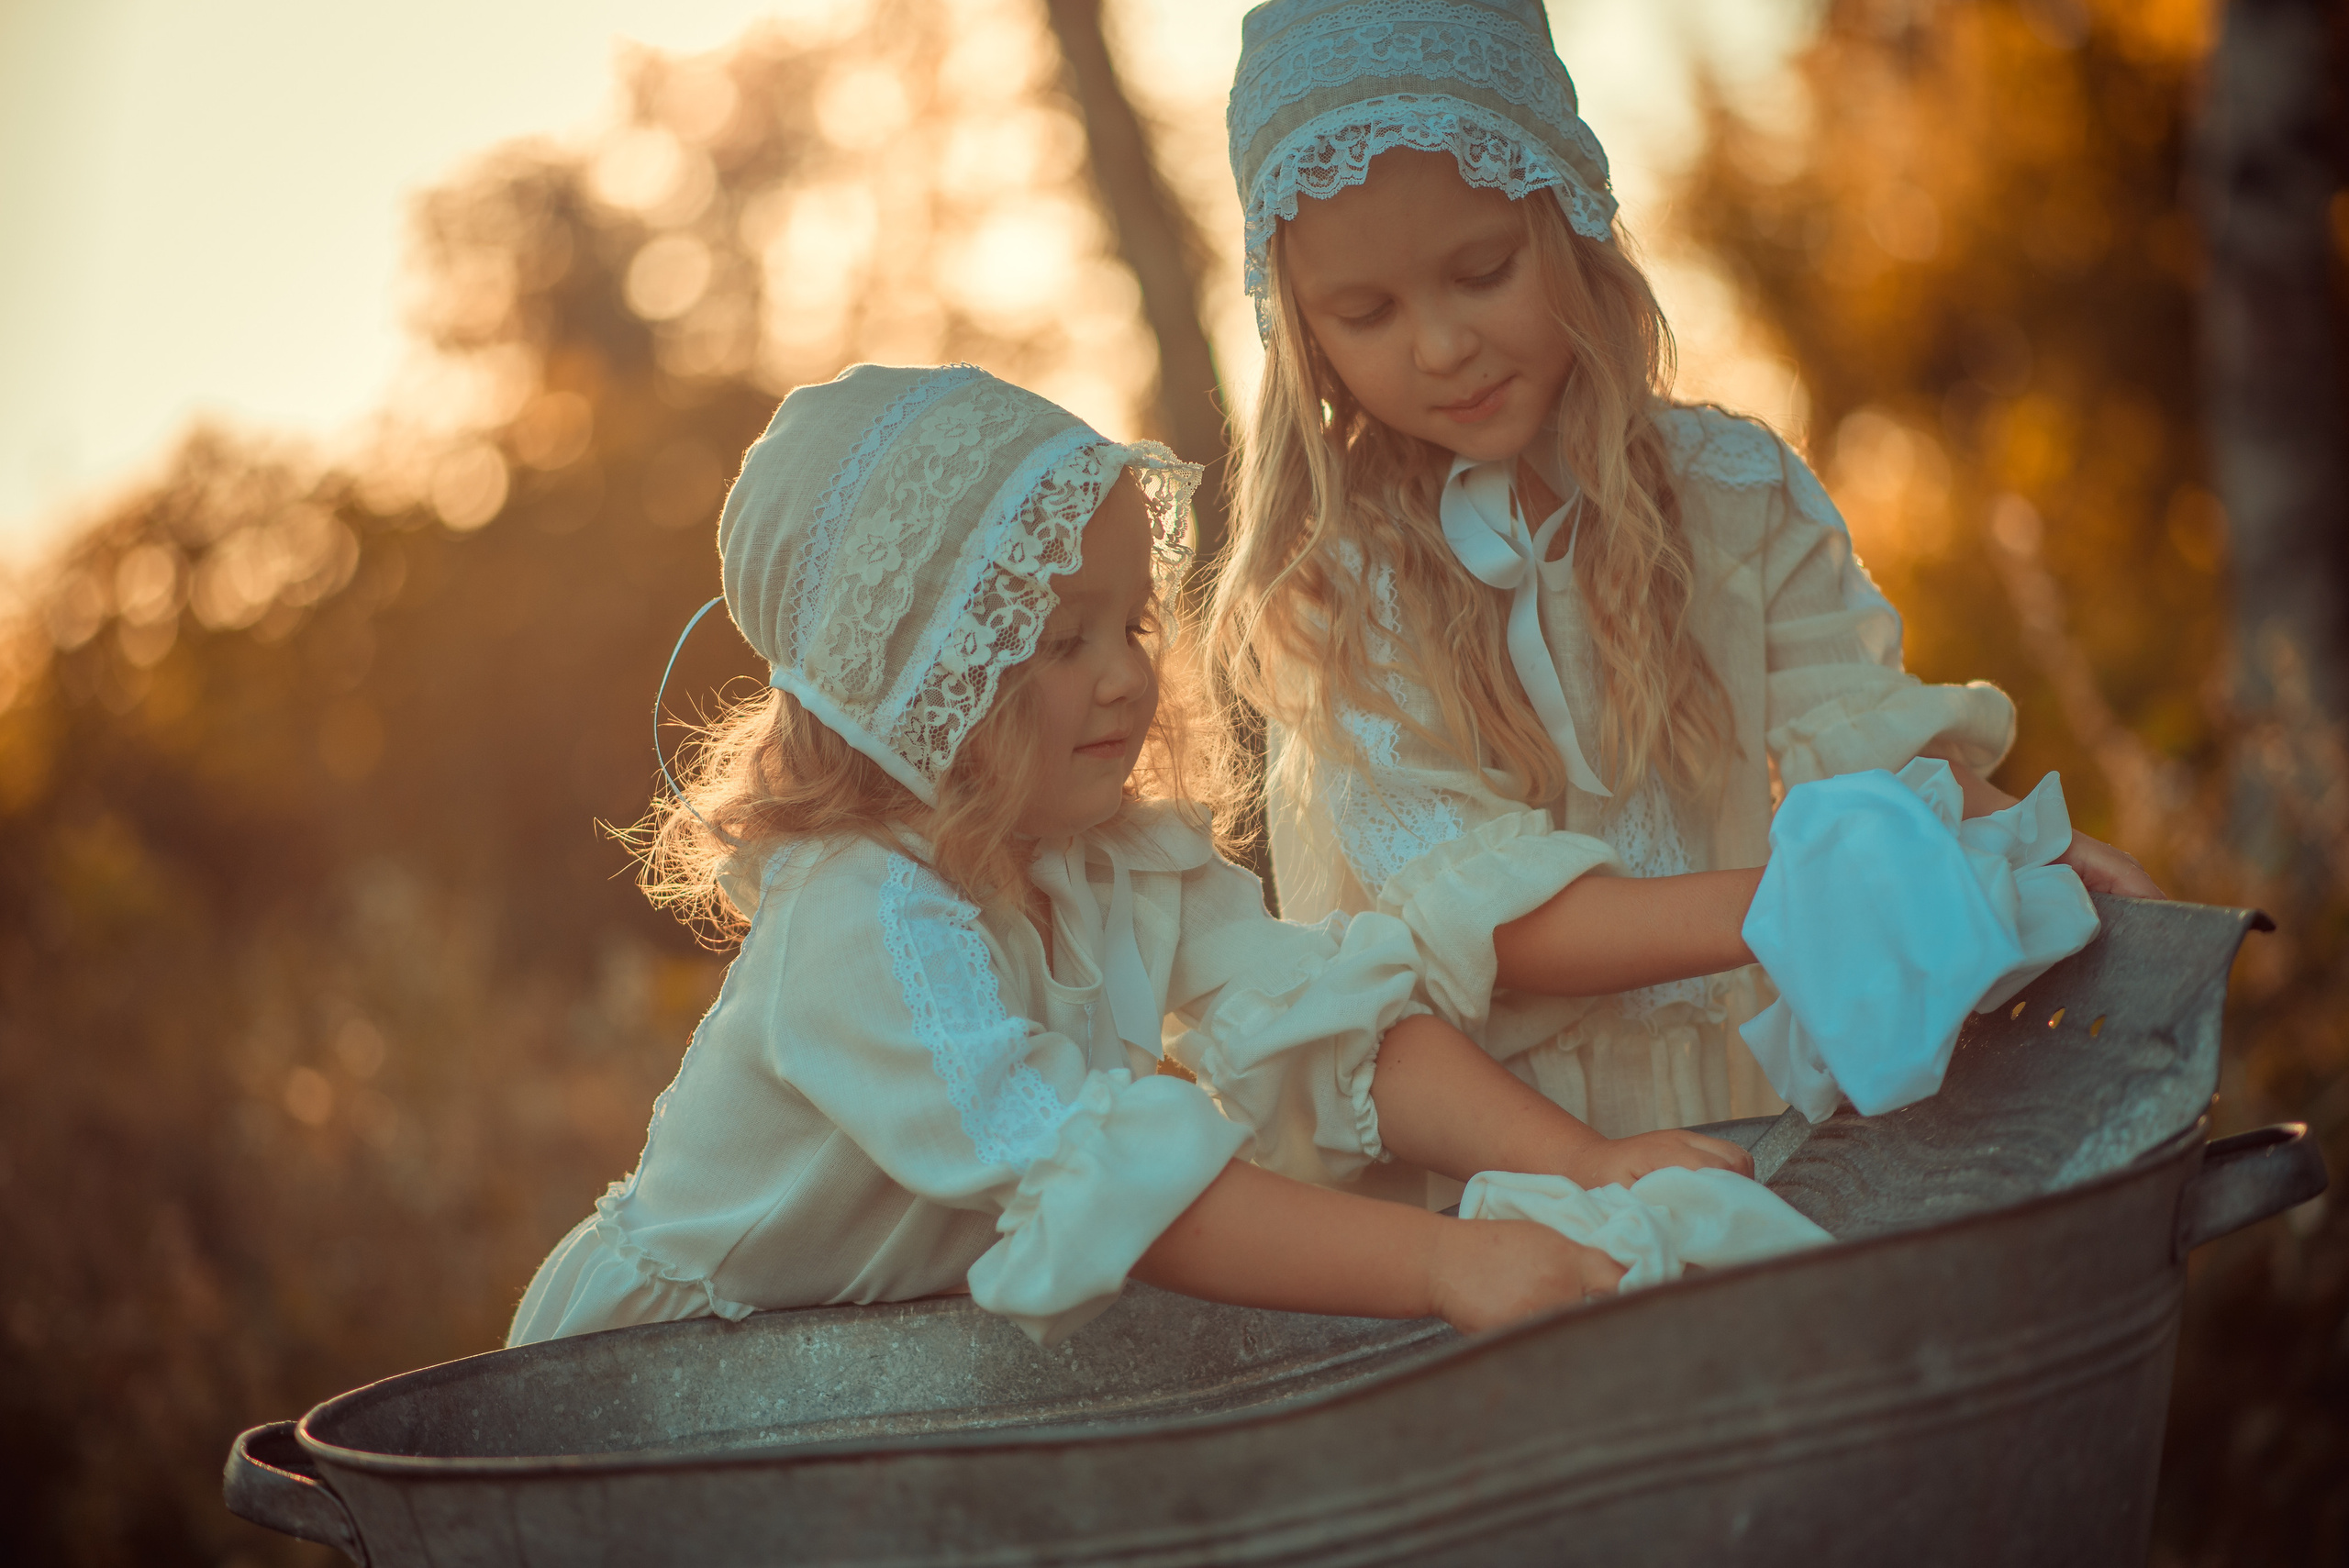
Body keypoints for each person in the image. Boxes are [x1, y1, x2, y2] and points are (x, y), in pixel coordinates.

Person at [507, 363, 1754, 1351]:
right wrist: (1443, 1262)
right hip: (660, 1382)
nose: (1126, 673)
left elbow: (1322, 1022)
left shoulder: (1101, 856)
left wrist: (1580, 1163)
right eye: (1059, 639)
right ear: (922, 680)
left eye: (1133, 622)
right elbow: (1106, 1176)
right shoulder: (861, 919)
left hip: (841, 1383)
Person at [1210, 0, 2162, 1207]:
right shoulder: (1344, 599)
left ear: (1571, 216)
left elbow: (1860, 738)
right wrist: (1803, 901)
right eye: (1368, 314)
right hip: (1516, 1158)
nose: (1441, 344)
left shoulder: (1734, 491)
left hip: (1759, 1093)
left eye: (1481, 271)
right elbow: (1495, 923)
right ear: (1301, 334)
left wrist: (2017, 844)